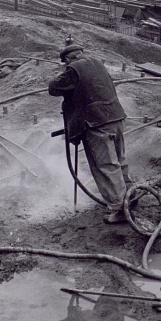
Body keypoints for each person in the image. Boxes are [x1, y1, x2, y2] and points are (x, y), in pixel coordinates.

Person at [48, 43, 134, 223]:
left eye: (65, 62)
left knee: (105, 165)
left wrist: (62, 71)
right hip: (115, 115)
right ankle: (130, 196)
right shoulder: (97, 62)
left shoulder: (73, 69)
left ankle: (119, 209)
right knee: (119, 159)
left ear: (68, 59)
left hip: (96, 122)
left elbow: (53, 88)